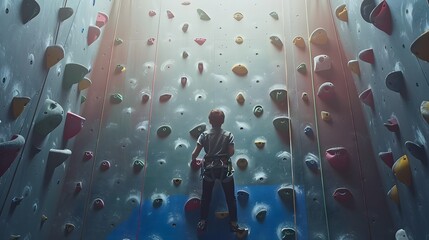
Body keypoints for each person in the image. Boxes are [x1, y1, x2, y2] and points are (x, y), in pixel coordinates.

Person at [191, 109, 246, 234]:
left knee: (206, 198)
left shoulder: (204, 135)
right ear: (223, 121)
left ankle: (202, 222)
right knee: (230, 198)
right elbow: (231, 152)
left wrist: (195, 160)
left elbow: (195, 154)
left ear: (210, 121)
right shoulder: (228, 135)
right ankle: (233, 224)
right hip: (224, 168)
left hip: (209, 169)